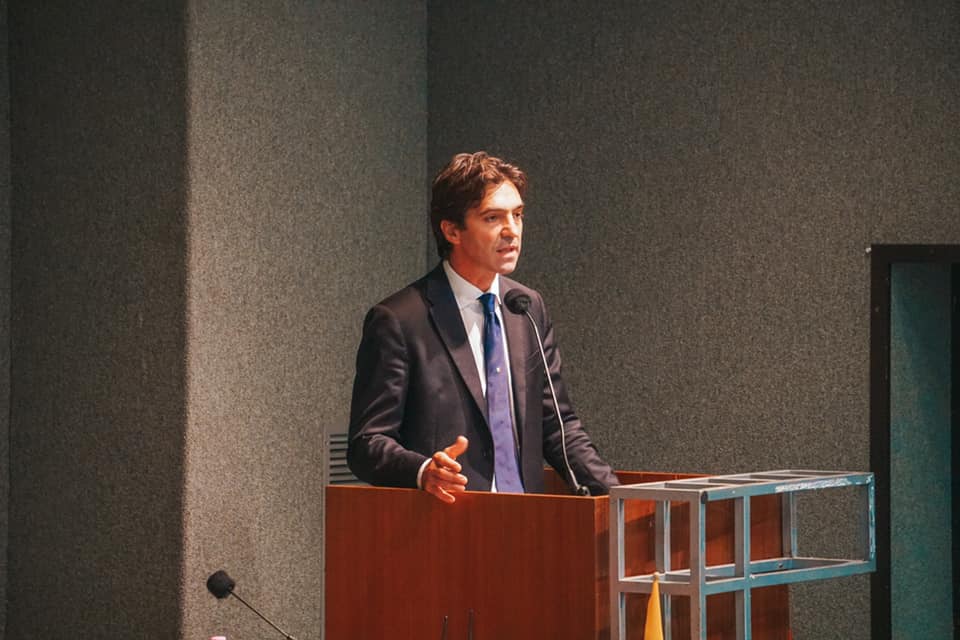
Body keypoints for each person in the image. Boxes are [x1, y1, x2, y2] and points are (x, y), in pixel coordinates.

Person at [348, 151, 618, 503]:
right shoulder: (400, 320)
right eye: (493, 218)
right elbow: (367, 443)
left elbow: (558, 426)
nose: (512, 231)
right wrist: (423, 470)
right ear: (452, 230)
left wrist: (619, 499)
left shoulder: (526, 307)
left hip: (527, 520)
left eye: (517, 215)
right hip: (449, 520)